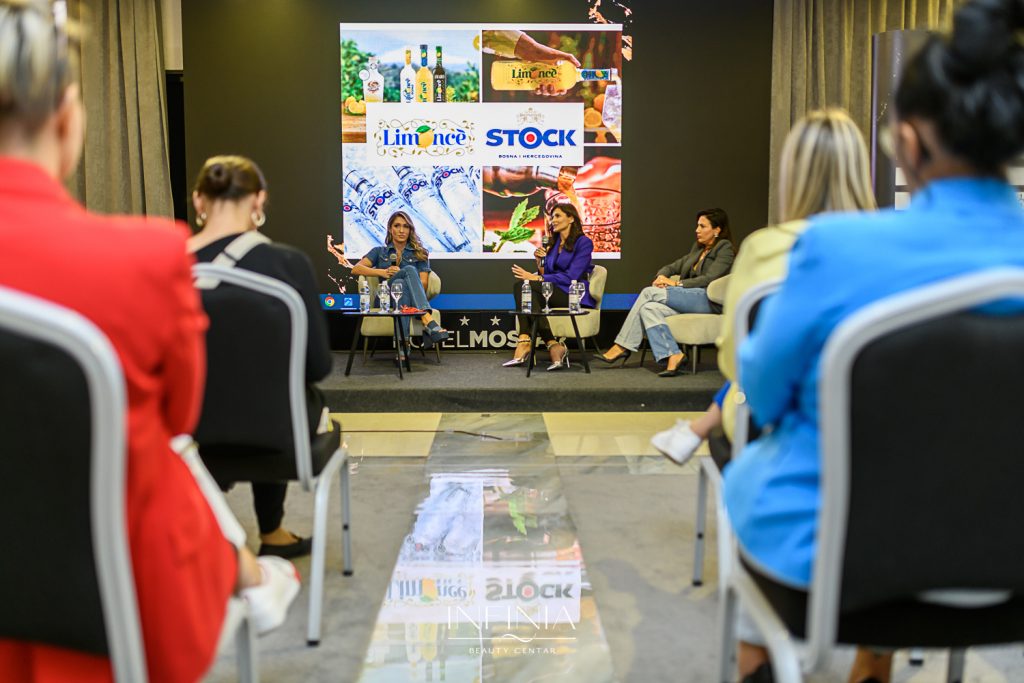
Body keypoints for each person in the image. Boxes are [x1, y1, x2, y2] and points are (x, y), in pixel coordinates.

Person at [723, 1, 1024, 681]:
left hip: (839, 562)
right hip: (1011, 570)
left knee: (754, 503)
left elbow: (762, 393)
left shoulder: (836, 248)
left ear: (909, 142)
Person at [0, 4, 297, 682]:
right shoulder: (143, 260)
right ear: (68, 120)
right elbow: (178, 418)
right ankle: (248, 572)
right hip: (103, 600)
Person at [651, 109, 877, 465]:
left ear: (791, 176)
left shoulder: (766, 248)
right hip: (875, 433)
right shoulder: (892, 249)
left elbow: (736, 360)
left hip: (782, 442)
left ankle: (697, 429)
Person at [189, 154, 333, 560]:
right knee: (280, 392)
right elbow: (318, 366)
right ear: (259, 200)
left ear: (199, 200)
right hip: (276, 434)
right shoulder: (288, 264)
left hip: (189, 432)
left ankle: (203, 528)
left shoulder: (167, 264)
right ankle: (272, 531)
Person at [596, 208, 734, 376]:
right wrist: (661, 276)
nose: (697, 230)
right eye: (697, 225)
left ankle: (622, 346)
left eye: (702, 226)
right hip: (690, 298)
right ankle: (673, 354)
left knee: (649, 293)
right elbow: (673, 266)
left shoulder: (725, 248)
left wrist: (675, 283)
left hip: (707, 299)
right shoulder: (698, 250)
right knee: (648, 309)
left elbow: (709, 278)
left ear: (717, 229)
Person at [505, 202, 595, 371]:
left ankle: (526, 341)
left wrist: (537, 277)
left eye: (558, 216)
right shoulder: (553, 244)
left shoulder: (583, 243)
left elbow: (572, 276)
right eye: (552, 217)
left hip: (572, 293)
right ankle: (551, 344)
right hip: (553, 291)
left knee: (525, 285)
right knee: (523, 287)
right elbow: (546, 273)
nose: (553, 220)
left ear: (571, 218)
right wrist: (539, 262)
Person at [349, 210, 450, 355]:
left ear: (410, 230)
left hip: (407, 299)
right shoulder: (379, 251)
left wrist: (406, 284)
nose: (401, 230)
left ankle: (403, 347)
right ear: (390, 229)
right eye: (397, 226)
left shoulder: (419, 253)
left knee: (401, 285)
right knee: (408, 270)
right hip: (384, 299)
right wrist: (383, 272)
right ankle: (427, 320)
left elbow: (423, 284)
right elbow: (356, 269)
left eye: (405, 226)